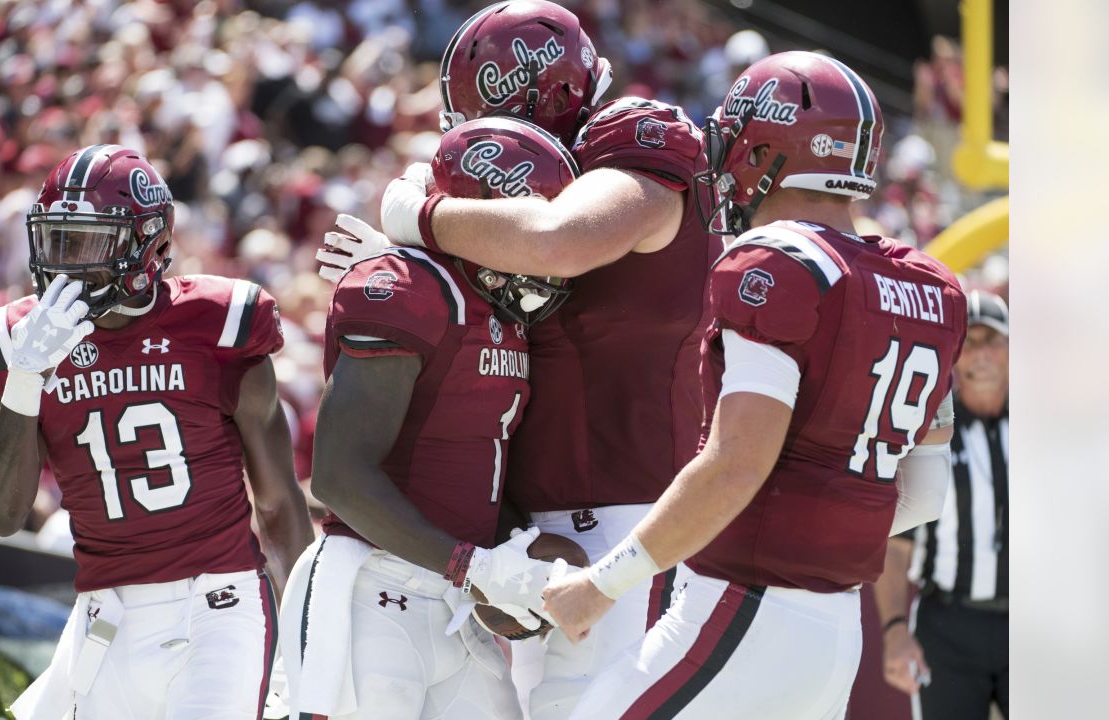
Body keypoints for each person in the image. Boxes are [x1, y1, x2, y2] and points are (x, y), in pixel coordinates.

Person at [541, 51, 968, 719]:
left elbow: (736, 464)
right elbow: (926, 492)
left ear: (763, 144)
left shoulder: (776, 264)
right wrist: (824, 520)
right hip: (834, 636)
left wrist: (602, 584)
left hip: (748, 609)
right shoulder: (929, 286)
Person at [354, 3, 720, 716]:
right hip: (528, 545)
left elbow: (558, 241)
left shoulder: (632, 139)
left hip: (643, 525)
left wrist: (417, 219)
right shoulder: (504, 214)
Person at [0, 144, 314, 719]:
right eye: (58, 240)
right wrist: (25, 379)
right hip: (104, 619)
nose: (66, 265)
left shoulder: (219, 322)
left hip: (220, 606)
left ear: (148, 243)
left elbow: (279, 506)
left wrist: (306, 650)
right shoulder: (19, 341)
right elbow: (3, 516)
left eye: (88, 243)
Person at [280, 117, 578, 720]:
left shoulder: (498, 310)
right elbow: (338, 476)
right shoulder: (406, 287)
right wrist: (478, 567)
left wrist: (515, 561)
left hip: (453, 598)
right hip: (369, 586)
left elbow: (472, 460)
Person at [875, 289, 1009, 719]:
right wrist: (895, 630)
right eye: (970, 342)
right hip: (948, 625)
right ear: (952, 355)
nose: (981, 355)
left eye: (993, 340)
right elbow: (895, 546)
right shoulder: (930, 432)